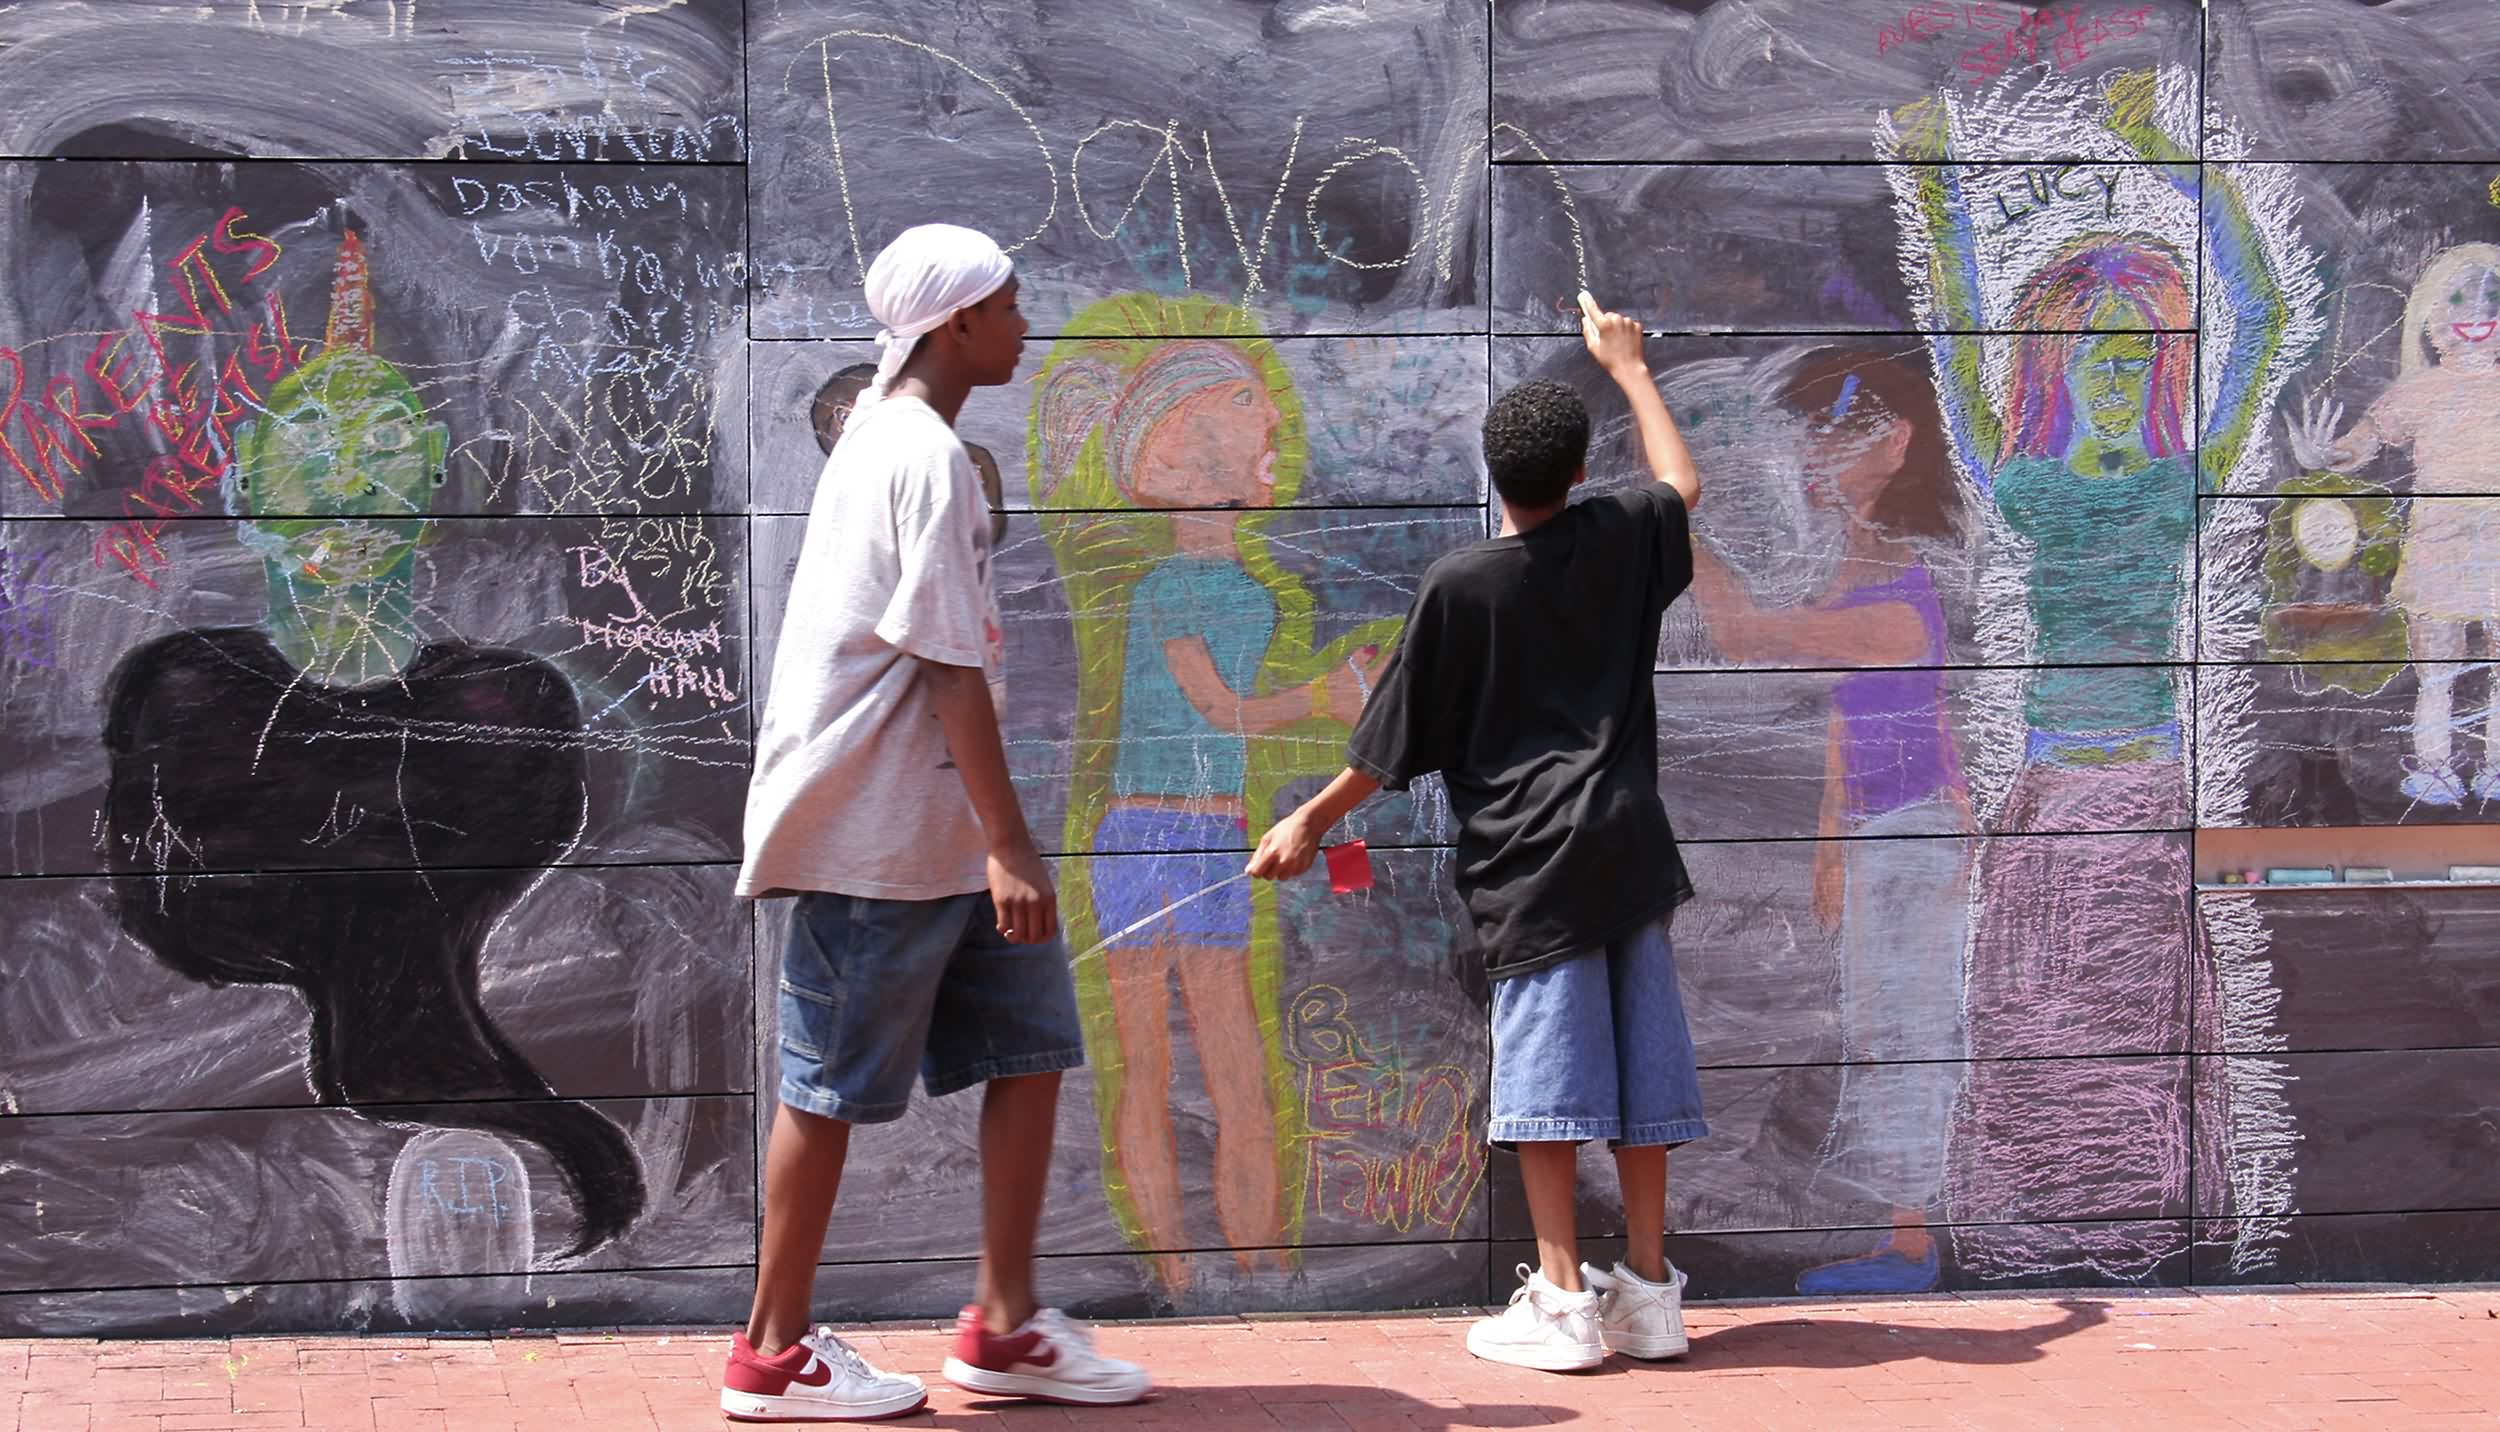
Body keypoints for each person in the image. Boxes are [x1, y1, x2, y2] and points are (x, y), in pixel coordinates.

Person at [722, 224, 1149, 1421]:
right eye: (1010, 307)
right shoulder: (919, 456)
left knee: (1029, 1050)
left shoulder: (905, 443)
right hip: (875, 835)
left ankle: (1005, 1326)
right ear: (955, 323)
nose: (1024, 327)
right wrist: (1013, 841)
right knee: (826, 1088)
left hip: (937, 833)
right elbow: (948, 666)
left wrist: (988, 840)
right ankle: (769, 1354)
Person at [1247, 293, 1705, 1371]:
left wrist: (1307, 822)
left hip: (1530, 864)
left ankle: (1559, 1303)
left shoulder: (1461, 583)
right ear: (1580, 473)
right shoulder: (1620, 536)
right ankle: (1648, 1294)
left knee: (1545, 1088)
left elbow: (1385, 744)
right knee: (1642, 1076)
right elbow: (1682, 485)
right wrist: (1628, 367)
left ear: (1492, 478)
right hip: (1629, 849)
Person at [1029, 293, 1396, 1293]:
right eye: (1247, 403)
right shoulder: (1175, 589)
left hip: (1200, 834)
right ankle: (1194, 1272)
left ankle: (1253, 1259)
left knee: (1229, 1066)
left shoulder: (1244, 587)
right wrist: (1323, 696)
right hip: (1152, 836)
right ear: (1188, 449)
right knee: (1156, 1066)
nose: (1274, 419)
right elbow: (1216, 707)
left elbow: (1226, 711)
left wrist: (1328, 699)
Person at [1682, 349, 1973, 1294]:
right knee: (1882, 1028)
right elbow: (1867, 720)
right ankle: (1903, 1236)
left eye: (1839, 431)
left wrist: (1680, 528)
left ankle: (1913, 1245)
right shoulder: (1865, 565)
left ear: (1896, 444)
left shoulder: (1894, 595)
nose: (1813, 452)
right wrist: (1829, 837)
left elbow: (1747, 639)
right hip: (1891, 832)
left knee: (1904, 1031)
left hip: (1911, 837)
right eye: (1809, 430)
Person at [2288, 242, 2500, 806]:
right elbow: (2371, 436)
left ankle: (2496, 766)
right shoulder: (2420, 390)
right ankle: (2433, 766)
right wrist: (2328, 455)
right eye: (2458, 298)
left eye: (2492, 298)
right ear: (2433, 314)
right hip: (2440, 538)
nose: (2476, 314)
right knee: (2435, 669)